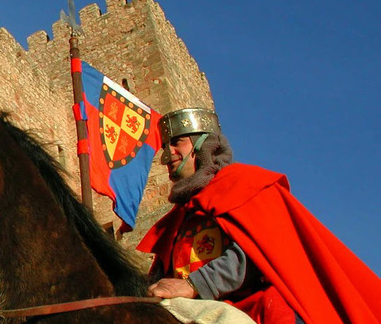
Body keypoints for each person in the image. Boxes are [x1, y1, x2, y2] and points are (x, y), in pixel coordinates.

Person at [137, 108, 381, 324]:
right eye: (165, 147)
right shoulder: (177, 220)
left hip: (256, 308)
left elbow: (257, 254)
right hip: (195, 310)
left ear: (204, 145)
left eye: (177, 142)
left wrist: (194, 285)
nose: (167, 156)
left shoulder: (244, 185)